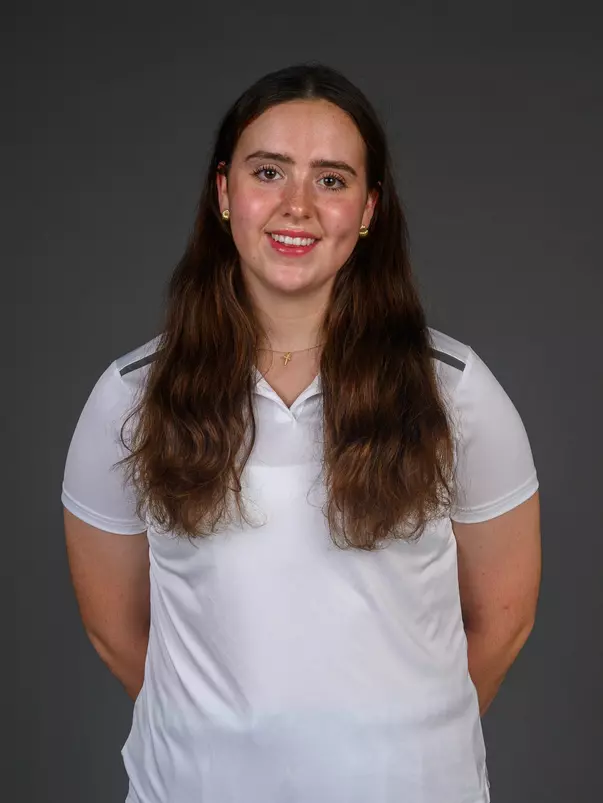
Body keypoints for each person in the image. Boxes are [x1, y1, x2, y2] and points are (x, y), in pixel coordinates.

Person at [61, 62, 541, 803]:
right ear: (224, 193)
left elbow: (503, 621)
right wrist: (227, 740)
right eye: (268, 171)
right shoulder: (129, 399)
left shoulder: (454, 390)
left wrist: (395, 747)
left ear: (369, 207)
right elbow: (117, 632)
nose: (296, 207)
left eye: (331, 179)